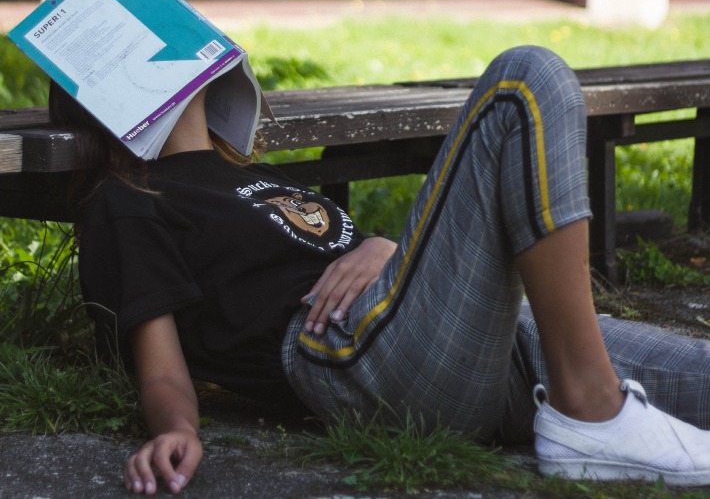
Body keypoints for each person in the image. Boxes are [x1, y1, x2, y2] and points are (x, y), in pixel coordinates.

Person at [50, 46, 710, 496]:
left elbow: (376, 263)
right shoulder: (129, 200)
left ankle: (583, 403)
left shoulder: (249, 176)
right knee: (525, 79)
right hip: (361, 359)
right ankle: (589, 409)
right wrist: (176, 431)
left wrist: (382, 246)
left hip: (479, 341)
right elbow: (163, 368)